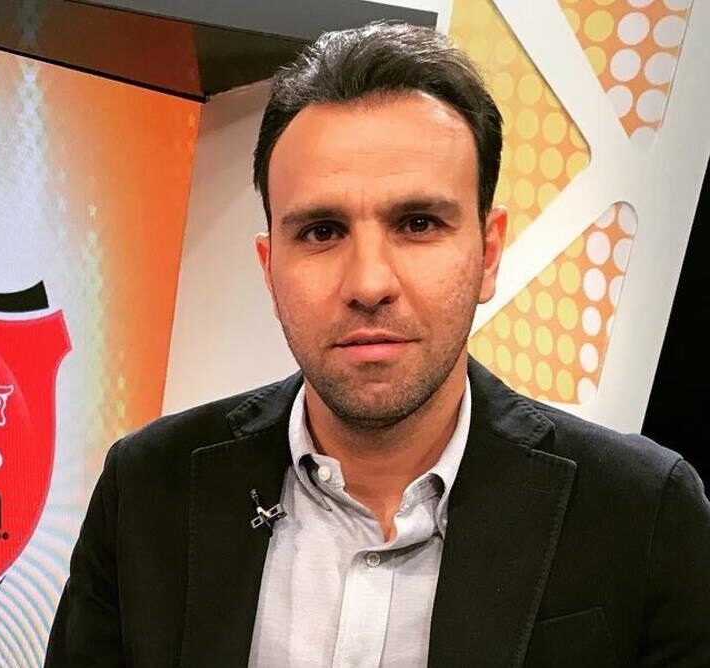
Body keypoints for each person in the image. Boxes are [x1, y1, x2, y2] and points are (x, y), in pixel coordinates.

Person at [45, 20, 710, 668]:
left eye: (418, 224)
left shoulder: (642, 513)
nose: (368, 284)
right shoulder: (145, 489)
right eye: (321, 231)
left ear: (488, 253)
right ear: (269, 268)